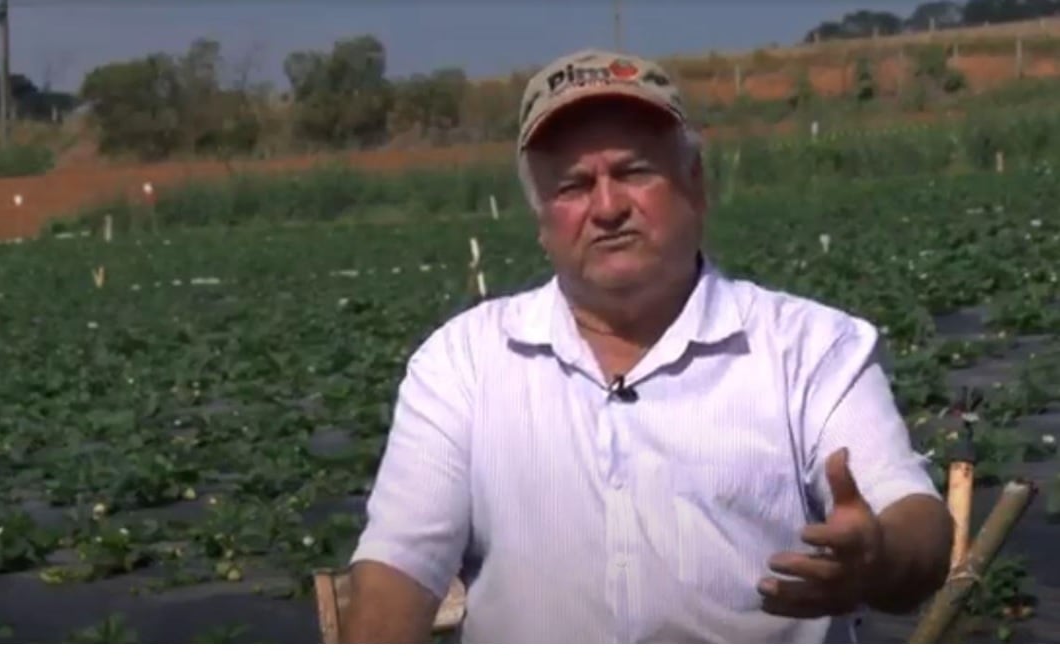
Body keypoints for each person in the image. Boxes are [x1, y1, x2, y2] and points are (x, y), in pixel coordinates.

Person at [341, 48, 953, 643]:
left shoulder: (812, 347)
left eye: (634, 172)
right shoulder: (461, 363)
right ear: (541, 220)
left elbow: (912, 516)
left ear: (696, 185)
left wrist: (878, 556)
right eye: (573, 186)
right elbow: (400, 566)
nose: (608, 207)